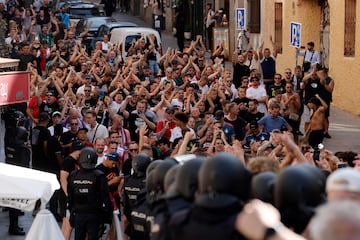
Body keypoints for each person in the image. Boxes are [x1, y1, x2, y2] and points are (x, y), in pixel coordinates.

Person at [67, 147, 113, 240]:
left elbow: (70, 196)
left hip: (79, 214)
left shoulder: (73, 175)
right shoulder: (99, 176)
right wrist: (108, 214)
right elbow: (105, 197)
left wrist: (72, 212)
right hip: (94, 215)